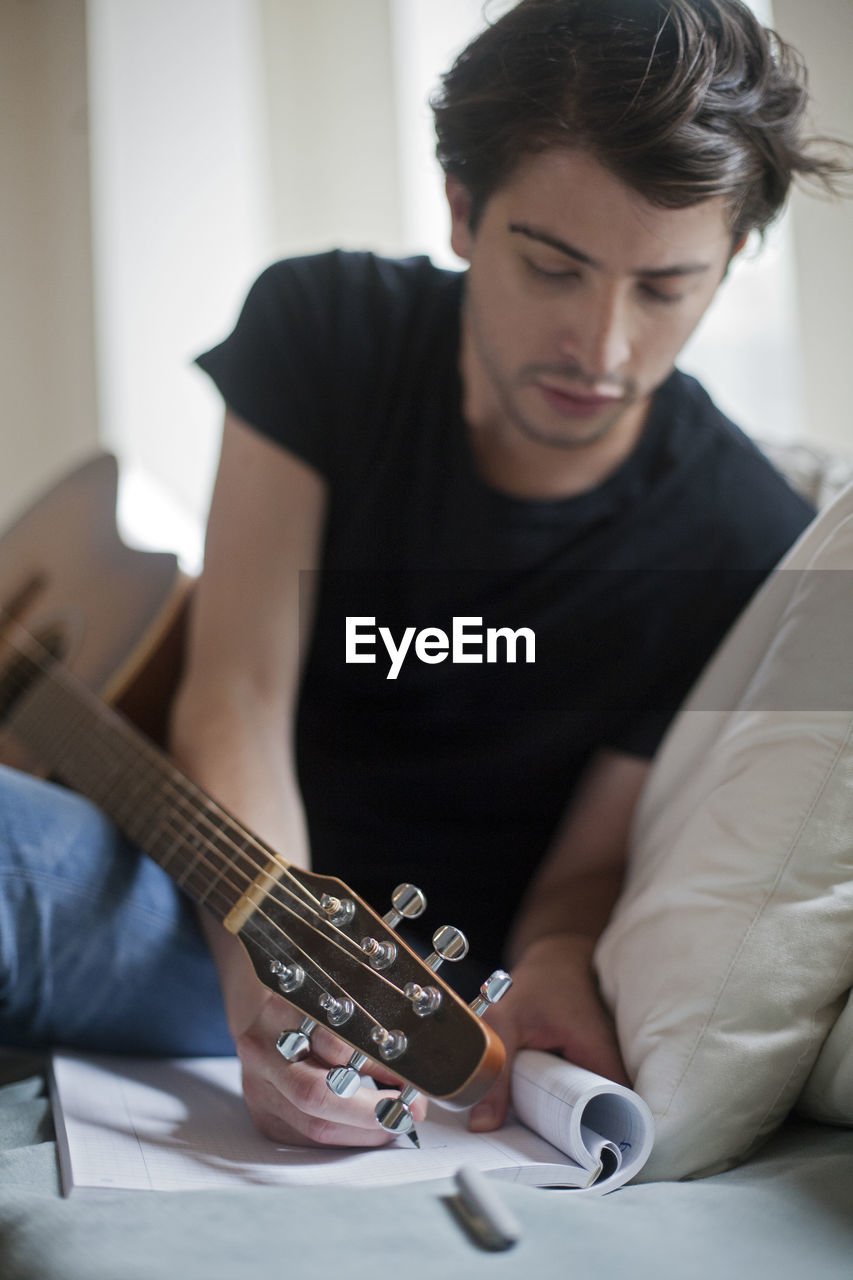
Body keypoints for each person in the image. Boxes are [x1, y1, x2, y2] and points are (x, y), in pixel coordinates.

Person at [0, 0, 846, 1148]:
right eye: (553, 266)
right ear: (460, 209)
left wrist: (550, 960)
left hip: (404, 997)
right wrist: (260, 943)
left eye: (664, 289)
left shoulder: (737, 529)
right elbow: (234, 689)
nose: (601, 350)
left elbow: (585, 867)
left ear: (732, 259)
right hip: (203, 876)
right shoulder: (327, 327)